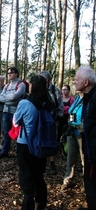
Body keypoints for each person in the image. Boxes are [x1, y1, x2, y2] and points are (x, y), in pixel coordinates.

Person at [13, 75, 54, 210]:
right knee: (39, 174)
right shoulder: (49, 103)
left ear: (32, 86)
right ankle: (40, 204)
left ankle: (28, 205)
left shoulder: (25, 103)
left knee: (26, 174)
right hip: (42, 143)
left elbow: (15, 121)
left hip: (25, 143)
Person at [74, 66, 96, 210]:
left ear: (86, 82)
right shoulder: (88, 97)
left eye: (77, 79)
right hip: (89, 149)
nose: (74, 82)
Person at [0, 67, 26, 159]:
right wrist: (9, 97)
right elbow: (0, 97)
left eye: (11, 72)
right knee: (6, 132)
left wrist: (6, 97)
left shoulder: (21, 85)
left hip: (16, 112)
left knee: (17, 132)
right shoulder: (7, 85)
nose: (9, 74)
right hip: (5, 111)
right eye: (8, 73)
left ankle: (18, 152)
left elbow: (15, 97)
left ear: (16, 73)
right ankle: (5, 151)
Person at [39, 70, 63, 175]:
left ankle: (52, 162)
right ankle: (40, 160)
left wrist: (58, 119)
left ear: (47, 79)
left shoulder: (55, 91)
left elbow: (60, 106)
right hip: (40, 120)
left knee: (52, 140)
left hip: (52, 120)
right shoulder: (38, 90)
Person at [61, 91, 84, 190]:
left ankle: (87, 183)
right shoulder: (77, 98)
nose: (75, 82)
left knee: (85, 159)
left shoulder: (90, 98)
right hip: (72, 132)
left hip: (82, 134)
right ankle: (68, 180)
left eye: (77, 80)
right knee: (71, 158)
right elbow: (71, 111)